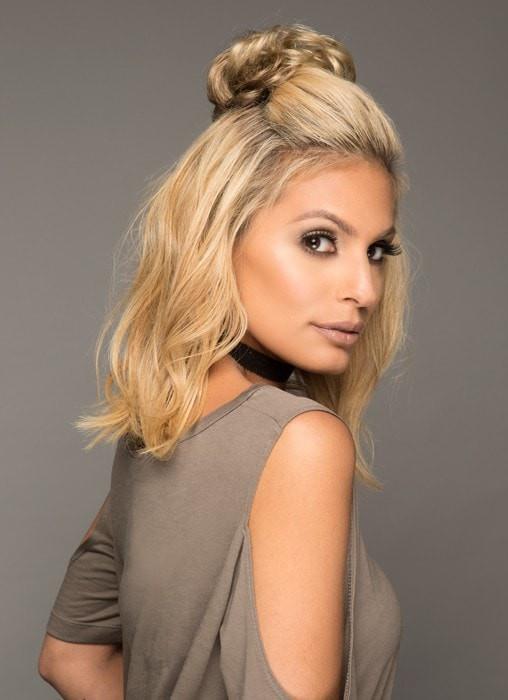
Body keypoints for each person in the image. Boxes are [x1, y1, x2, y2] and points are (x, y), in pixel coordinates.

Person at [38, 22, 410, 699]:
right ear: (219, 235)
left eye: (377, 250)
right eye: (319, 240)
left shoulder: (154, 432)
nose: (365, 288)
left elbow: (72, 659)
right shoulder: (302, 441)